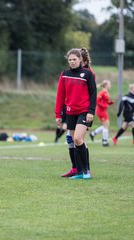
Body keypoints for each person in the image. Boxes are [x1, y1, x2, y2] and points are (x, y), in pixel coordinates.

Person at [55, 48, 96, 179]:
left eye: (74, 59)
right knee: (73, 140)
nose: (72, 62)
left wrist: (91, 111)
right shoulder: (64, 74)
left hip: (84, 111)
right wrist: (58, 114)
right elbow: (60, 95)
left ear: (80, 60)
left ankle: (86, 171)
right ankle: (79, 171)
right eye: (70, 60)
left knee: (78, 139)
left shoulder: (88, 74)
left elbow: (93, 93)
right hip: (70, 112)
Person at [89, 80, 114, 146]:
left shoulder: (106, 92)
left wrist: (109, 103)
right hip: (100, 111)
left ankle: (93, 134)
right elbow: (97, 101)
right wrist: (104, 105)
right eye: (109, 84)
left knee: (106, 126)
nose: (110, 85)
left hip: (103, 111)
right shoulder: (102, 92)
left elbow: (104, 101)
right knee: (106, 126)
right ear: (106, 85)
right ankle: (104, 142)